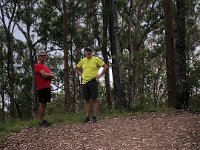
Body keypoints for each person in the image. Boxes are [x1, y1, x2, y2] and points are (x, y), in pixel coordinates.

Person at [74, 47, 109, 123]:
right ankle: (87, 117)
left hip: (93, 81)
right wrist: (81, 74)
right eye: (86, 51)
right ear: (85, 53)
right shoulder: (83, 61)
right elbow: (75, 68)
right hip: (84, 82)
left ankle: (95, 117)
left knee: (94, 99)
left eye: (89, 51)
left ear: (92, 52)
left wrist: (100, 75)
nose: (88, 52)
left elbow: (106, 67)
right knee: (86, 100)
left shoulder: (96, 59)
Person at [34, 51, 54, 127]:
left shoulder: (46, 67)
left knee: (45, 104)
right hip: (41, 87)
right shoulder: (37, 65)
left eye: (44, 56)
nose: (43, 57)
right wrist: (49, 75)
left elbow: (52, 75)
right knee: (42, 104)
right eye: (41, 56)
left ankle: (43, 120)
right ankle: (41, 121)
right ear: (39, 57)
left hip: (47, 87)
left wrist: (48, 75)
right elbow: (44, 75)